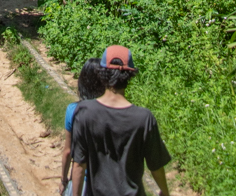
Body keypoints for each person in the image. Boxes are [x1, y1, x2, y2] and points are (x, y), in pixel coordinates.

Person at [70, 45, 171, 196]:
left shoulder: (85, 113)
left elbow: (79, 164)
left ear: (102, 72)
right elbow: (156, 166)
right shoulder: (143, 118)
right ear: (130, 75)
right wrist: (165, 192)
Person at [59, 58, 103, 195]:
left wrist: (63, 179)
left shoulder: (73, 110)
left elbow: (68, 151)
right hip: (104, 180)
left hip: (81, 180)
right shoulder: (110, 112)